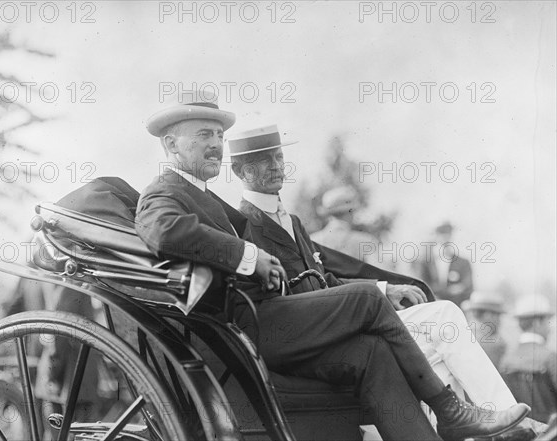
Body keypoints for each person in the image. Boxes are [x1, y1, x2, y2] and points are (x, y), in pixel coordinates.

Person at [134, 91, 529, 441]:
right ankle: (450, 411)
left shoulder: (202, 195)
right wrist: (251, 257)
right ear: (170, 144)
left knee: (370, 351)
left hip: (260, 319)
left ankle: (443, 424)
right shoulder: (163, 192)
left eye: (219, 136)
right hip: (241, 328)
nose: (216, 144)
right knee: (364, 300)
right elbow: (163, 230)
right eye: (203, 135)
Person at [228, 123, 546, 441]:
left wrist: (386, 289)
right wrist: (369, 294)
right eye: (262, 160)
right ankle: (500, 426)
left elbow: (324, 278)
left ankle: (496, 427)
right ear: (241, 170)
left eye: (278, 156)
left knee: (442, 333)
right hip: (318, 335)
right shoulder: (244, 227)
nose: (275, 166)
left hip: (343, 320)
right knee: (442, 322)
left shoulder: (293, 220)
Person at [501, 295, 557, 423]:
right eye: (547, 322)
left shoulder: (507, 359)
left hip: (520, 431)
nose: (550, 329)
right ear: (537, 322)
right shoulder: (550, 357)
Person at [416, 222, 474, 307]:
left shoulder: (463, 263)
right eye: (441, 234)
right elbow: (422, 285)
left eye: (448, 234)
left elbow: (467, 287)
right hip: (431, 306)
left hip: (456, 306)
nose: (445, 238)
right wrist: (448, 291)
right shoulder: (425, 262)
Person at [462, 291, 508, 368]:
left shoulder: (463, 333)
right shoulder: (495, 343)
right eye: (498, 316)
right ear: (488, 315)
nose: (499, 321)